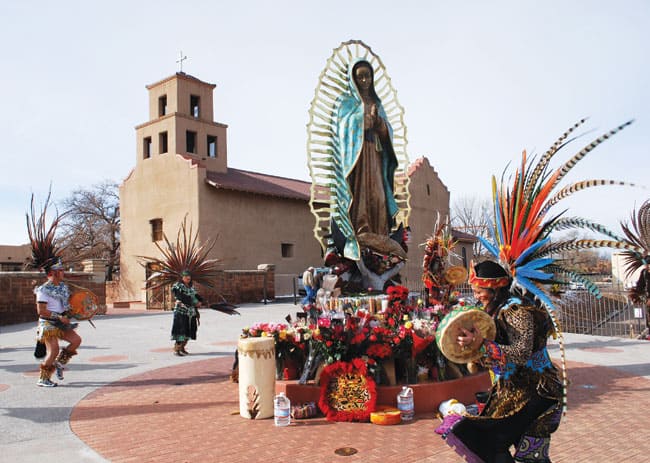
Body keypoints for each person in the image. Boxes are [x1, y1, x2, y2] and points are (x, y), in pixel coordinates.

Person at [442, 261, 563, 463]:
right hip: (513, 392)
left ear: (494, 288)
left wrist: (483, 345)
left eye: (479, 291)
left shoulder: (517, 310)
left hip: (537, 392)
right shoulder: (493, 310)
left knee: (522, 454)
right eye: (474, 291)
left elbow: (521, 353)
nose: (476, 295)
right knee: (485, 441)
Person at [332, 59, 399, 261]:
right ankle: (361, 233)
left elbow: (388, 132)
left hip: (376, 156)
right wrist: (363, 121)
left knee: (378, 196)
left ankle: (380, 234)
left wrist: (379, 124)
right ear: (353, 79)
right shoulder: (347, 103)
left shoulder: (377, 103)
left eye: (367, 76)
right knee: (360, 196)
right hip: (358, 160)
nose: (364, 80)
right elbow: (342, 128)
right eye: (360, 76)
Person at [34, 259, 82, 387]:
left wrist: (75, 311)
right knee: (53, 350)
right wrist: (59, 317)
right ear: (53, 272)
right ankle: (43, 378)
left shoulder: (63, 287)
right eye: (60, 270)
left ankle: (59, 364)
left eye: (62, 269)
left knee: (76, 340)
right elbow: (41, 311)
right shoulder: (43, 290)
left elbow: (66, 305)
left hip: (61, 322)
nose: (63, 272)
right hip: (48, 323)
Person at [171, 270, 203, 356]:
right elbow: (181, 297)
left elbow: (196, 295)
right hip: (181, 312)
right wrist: (194, 302)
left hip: (191, 312)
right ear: (182, 277)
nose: (188, 278)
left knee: (189, 330)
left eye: (189, 276)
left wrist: (200, 301)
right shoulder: (177, 286)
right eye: (186, 276)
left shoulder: (191, 287)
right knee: (181, 330)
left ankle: (182, 347)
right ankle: (176, 349)